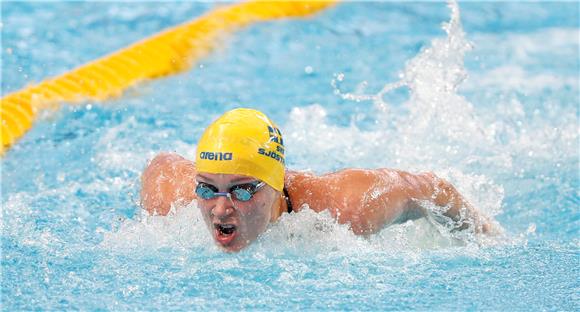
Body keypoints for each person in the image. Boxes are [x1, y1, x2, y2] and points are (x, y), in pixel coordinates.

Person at [141, 108, 495, 252]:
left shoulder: (347, 207)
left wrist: (487, 236)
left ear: (276, 185)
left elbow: (432, 189)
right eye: (207, 188)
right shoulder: (169, 195)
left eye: (242, 190)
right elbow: (158, 164)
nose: (220, 208)